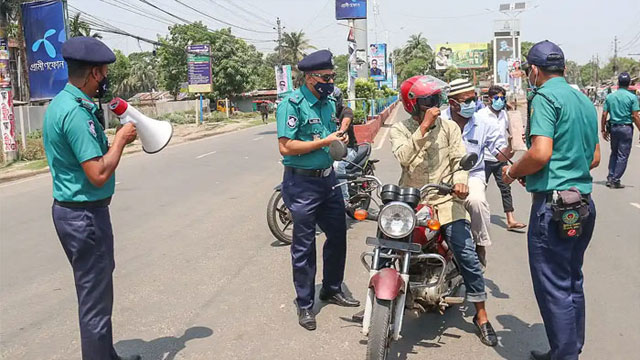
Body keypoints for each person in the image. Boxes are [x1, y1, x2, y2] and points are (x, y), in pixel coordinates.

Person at [42, 37, 139, 360]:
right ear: (95, 73)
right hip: (85, 217)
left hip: (73, 213)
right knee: (95, 302)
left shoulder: (60, 104)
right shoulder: (77, 114)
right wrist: (122, 140)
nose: (106, 79)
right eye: (105, 73)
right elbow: (98, 173)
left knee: (94, 293)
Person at [502, 40, 600, 360]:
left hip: (554, 207)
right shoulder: (583, 100)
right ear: (565, 68)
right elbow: (594, 158)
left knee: (553, 285)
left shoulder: (544, 97)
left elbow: (540, 153)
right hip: (582, 202)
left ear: (534, 70)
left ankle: (565, 354)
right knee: (571, 279)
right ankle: (568, 348)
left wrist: (514, 172)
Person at [390, 75, 498, 347]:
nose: (436, 105)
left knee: (466, 254)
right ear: (413, 104)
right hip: (413, 201)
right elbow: (403, 158)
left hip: (445, 199)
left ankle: (482, 316)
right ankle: (376, 301)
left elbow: (459, 161)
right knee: (387, 244)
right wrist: (423, 128)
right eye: (429, 101)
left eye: (437, 100)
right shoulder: (400, 130)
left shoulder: (450, 128)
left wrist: (460, 182)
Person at [276, 49, 360, 331]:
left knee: (338, 235)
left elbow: (334, 130)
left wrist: (339, 137)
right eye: (326, 77)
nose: (330, 81)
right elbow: (286, 146)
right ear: (310, 77)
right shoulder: (292, 104)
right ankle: (305, 303)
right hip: (302, 184)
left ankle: (332, 288)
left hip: (328, 181)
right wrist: (324, 142)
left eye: (332, 76)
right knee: (304, 245)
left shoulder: (327, 103)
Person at [443, 78, 514, 267]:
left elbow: (499, 153)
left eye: (474, 100)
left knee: (477, 202)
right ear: (453, 103)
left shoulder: (482, 123)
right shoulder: (439, 121)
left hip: (472, 174)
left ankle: (480, 244)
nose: (472, 105)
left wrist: (511, 147)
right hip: (440, 175)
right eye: (467, 101)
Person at [479, 85, 526, 231]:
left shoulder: (505, 115)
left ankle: (510, 219)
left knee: (505, 187)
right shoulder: (481, 115)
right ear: (490, 99)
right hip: (484, 158)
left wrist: (517, 134)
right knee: (479, 190)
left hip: (501, 157)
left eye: (502, 98)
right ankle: (475, 219)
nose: (499, 101)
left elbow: (513, 130)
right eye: (497, 98)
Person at [601, 72, 640, 188]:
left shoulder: (610, 97)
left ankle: (610, 176)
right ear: (629, 84)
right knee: (622, 155)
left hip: (614, 128)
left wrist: (603, 129)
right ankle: (615, 179)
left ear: (618, 83)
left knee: (614, 153)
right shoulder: (632, 97)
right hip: (626, 128)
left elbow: (604, 114)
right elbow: (636, 116)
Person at [331, 87, 358, 203]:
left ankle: (344, 199)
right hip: (331, 149)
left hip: (349, 149)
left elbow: (345, 123)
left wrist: (341, 132)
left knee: (337, 166)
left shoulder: (346, 111)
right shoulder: (324, 112)